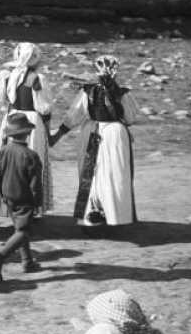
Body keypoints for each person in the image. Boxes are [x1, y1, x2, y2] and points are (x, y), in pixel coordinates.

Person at [0, 42, 54, 230]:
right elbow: (45, 110)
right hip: (31, 125)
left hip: (11, 121)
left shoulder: (7, 76)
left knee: (2, 164)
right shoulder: (37, 79)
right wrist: (49, 132)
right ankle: (29, 210)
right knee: (28, 167)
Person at [50, 55, 139, 227]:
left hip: (92, 132)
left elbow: (73, 117)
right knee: (114, 175)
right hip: (116, 135)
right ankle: (114, 214)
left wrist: (57, 136)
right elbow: (130, 118)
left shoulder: (87, 92)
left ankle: (91, 212)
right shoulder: (123, 94)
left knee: (91, 173)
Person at [0, 113, 45, 282]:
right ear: (28, 133)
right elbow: (35, 185)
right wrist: (37, 203)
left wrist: (2, 194)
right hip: (24, 198)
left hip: (8, 196)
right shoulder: (31, 156)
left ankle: (27, 262)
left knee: (19, 229)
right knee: (25, 231)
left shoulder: (3, 151)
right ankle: (0, 255)